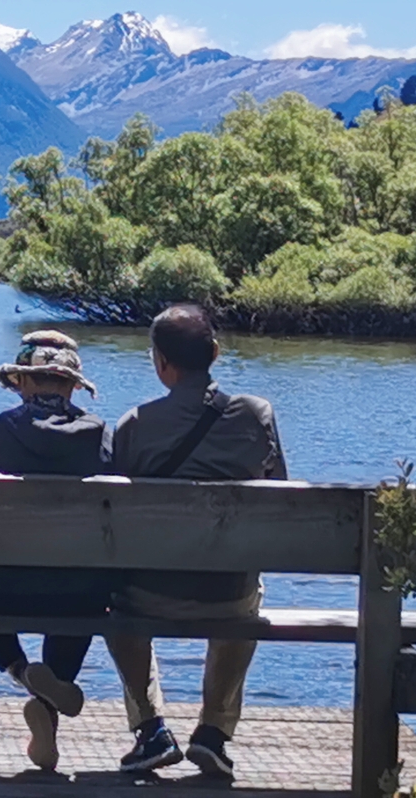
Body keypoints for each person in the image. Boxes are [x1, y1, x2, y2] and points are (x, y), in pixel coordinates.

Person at [103, 303, 288, 781]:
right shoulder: (256, 414)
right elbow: (282, 499)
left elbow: (110, 524)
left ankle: (150, 729)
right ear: (216, 352)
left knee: (110, 598)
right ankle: (212, 734)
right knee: (249, 590)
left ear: (160, 363)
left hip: (148, 597)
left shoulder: (133, 425)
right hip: (227, 597)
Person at [0, 332, 115, 773]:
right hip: (74, 594)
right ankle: (50, 696)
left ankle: (25, 674)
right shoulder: (100, 437)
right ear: (73, 386)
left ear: (23, 383)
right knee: (87, 591)